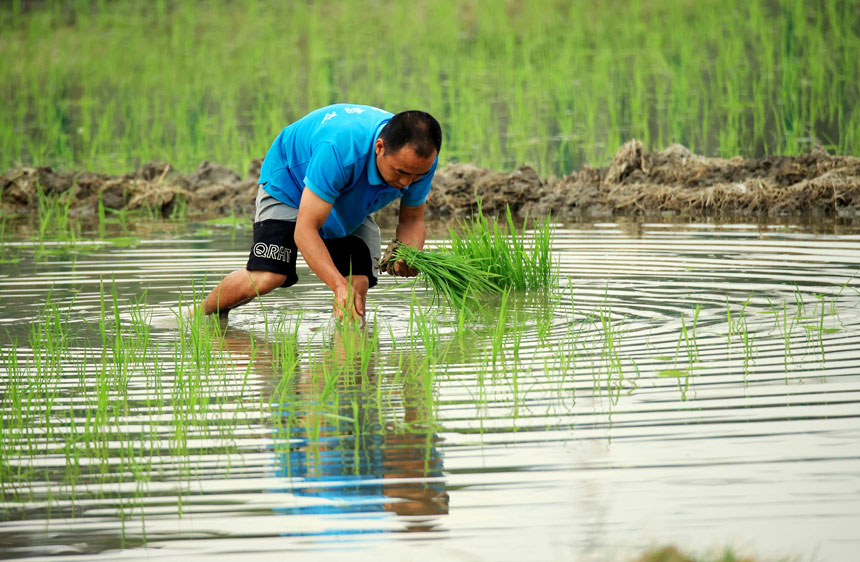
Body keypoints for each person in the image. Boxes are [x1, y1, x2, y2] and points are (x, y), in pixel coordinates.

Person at [201, 104, 442, 319]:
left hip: (349, 193)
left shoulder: (419, 162)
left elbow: (412, 220)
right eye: (400, 172)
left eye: (416, 175)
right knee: (268, 277)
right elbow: (305, 230)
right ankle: (197, 314)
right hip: (291, 185)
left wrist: (408, 256)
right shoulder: (339, 148)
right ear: (380, 147)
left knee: (357, 282)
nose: (407, 183)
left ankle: (348, 358)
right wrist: (337, 285)